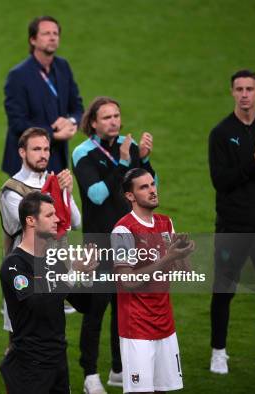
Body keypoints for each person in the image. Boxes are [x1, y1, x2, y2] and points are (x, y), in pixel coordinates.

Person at [71, 96, 155, 393]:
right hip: (99, 244)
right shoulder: (83, 152)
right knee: (97, 308)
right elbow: (95, 194)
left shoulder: (129, 146)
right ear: (93, 122)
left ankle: (119, 368)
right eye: (106, 117)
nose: (114, 121)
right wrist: (121, 162)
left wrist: (142, 158)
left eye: (117, 115)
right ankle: (89, 374)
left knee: (126, 308)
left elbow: (149, 189)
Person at [208, 69, 255, 374]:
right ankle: (218, 352)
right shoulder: (221, 133)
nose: (244, 94)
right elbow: (221, 181)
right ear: (232, 93)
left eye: (249, 89)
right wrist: (254, 162)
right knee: (224, 289)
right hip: (233, 224)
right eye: (238, 89)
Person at [0, 191, 97, 394]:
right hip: (30, 365)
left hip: (58, 360)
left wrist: (86, 275)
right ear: (30, 220)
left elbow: (85, 305)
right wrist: (73, 273)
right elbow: (36, 303)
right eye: (49, 215)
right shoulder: (14, 265)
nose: (58, 219)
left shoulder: (54, 260)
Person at [111, 168, 195, 393]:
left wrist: (182, 256)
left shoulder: (165, 223)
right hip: (136, 327)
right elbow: (126, 281)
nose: (152, 190)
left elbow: (183, 273)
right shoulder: (123, 230)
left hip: (165, 324)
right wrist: (168, 257)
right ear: (130, 196)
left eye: (152, 184)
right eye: (144, 187)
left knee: (162, 389)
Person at [0, 127, 82, 332]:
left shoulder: (54, 181)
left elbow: (76, 222)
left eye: (46, 149)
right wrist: (57, 195)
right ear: (22, 152)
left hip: (55, 272)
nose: (43, 154)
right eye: (36, 149)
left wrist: (67, 193)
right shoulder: (12, 191)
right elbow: (33, 227)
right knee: (19, 340)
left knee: (52, 337)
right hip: (25, 272)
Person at [2, 15, 83, 177]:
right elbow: (17, 123)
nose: (52, 37)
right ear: (33, 40)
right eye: (46, 34)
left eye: (55, 33)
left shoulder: (63, 67)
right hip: (26, 163)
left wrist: (70, 121)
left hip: (57, 158)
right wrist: (53, 134)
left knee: (56, 202)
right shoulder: (18, 76)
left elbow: (78, 107)